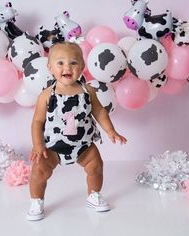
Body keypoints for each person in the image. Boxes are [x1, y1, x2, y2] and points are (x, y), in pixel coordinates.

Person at [27, 41, 127, 221]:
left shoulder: (87, 91)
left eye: (73, 63)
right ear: (50, 68)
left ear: (81, 67)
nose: (67, 67)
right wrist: (37, 145)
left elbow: (99, 112)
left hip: (83, 145)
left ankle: (94, 195)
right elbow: (37, 121)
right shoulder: (47, 95)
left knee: (96, 166)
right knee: (39, 171)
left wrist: (111, 131)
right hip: (53, 146)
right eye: (60, 63)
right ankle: (36, 201)